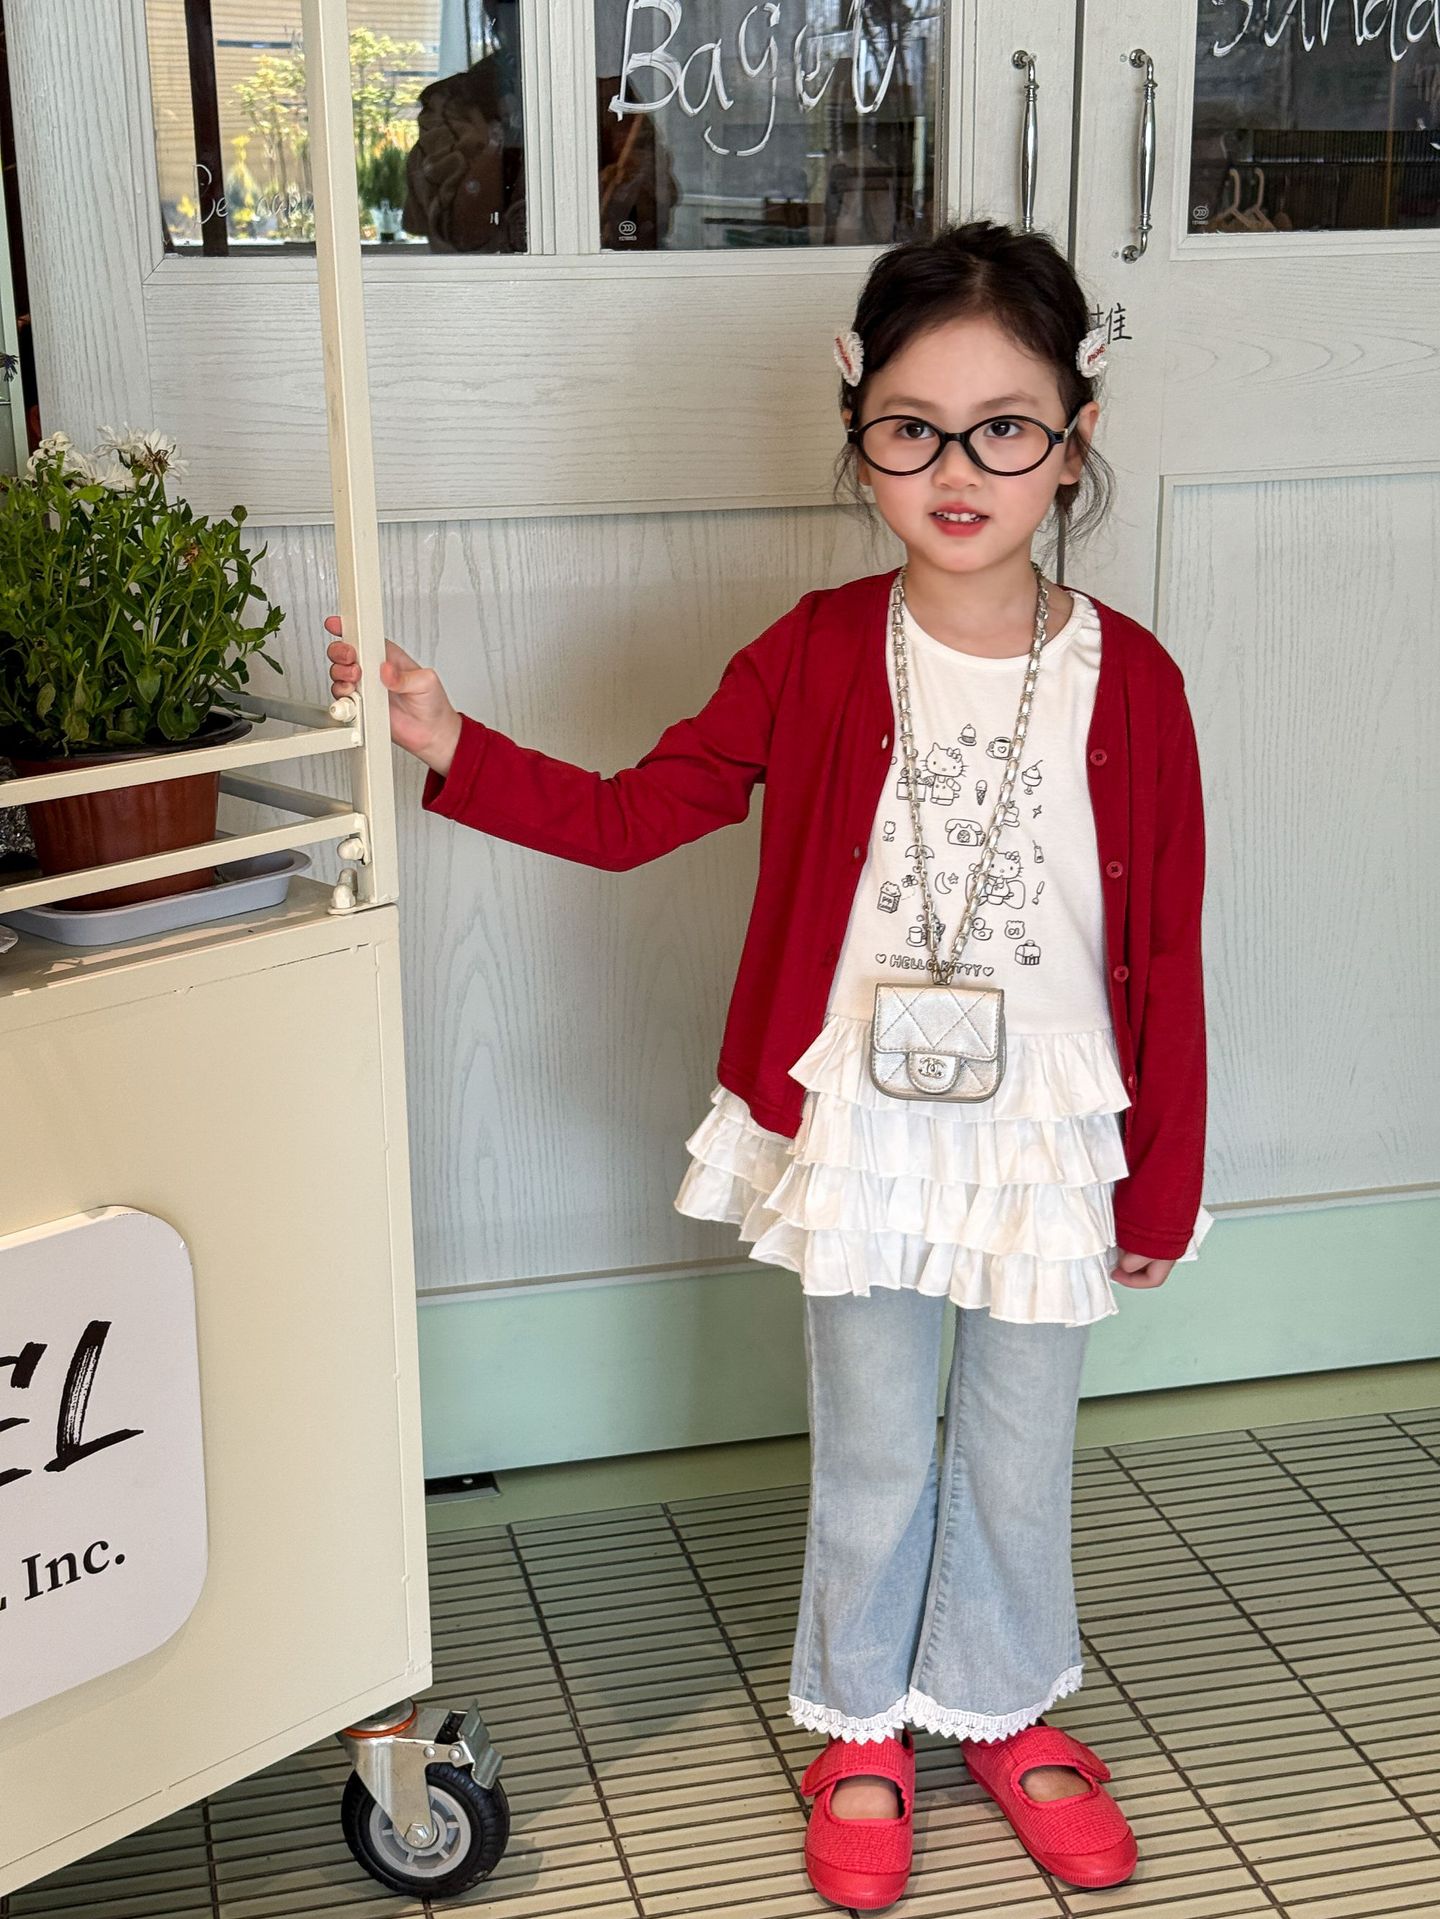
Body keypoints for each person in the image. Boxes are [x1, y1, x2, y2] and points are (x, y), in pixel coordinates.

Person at [326, 218, 1213, 1912]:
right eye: (911, 429)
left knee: (1020, 1444)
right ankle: (863, 1723)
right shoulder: (809, 651)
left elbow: (1164, 943)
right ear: (858, 430)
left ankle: (1004, 1705)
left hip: (1046, 1137)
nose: (957, 471)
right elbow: (632, 813)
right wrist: (451, 744)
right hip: (865, 1125)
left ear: (1074, 437)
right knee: (875, 1443)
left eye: (1004, 428)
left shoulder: (1136, 680)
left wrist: (1159, 1177)